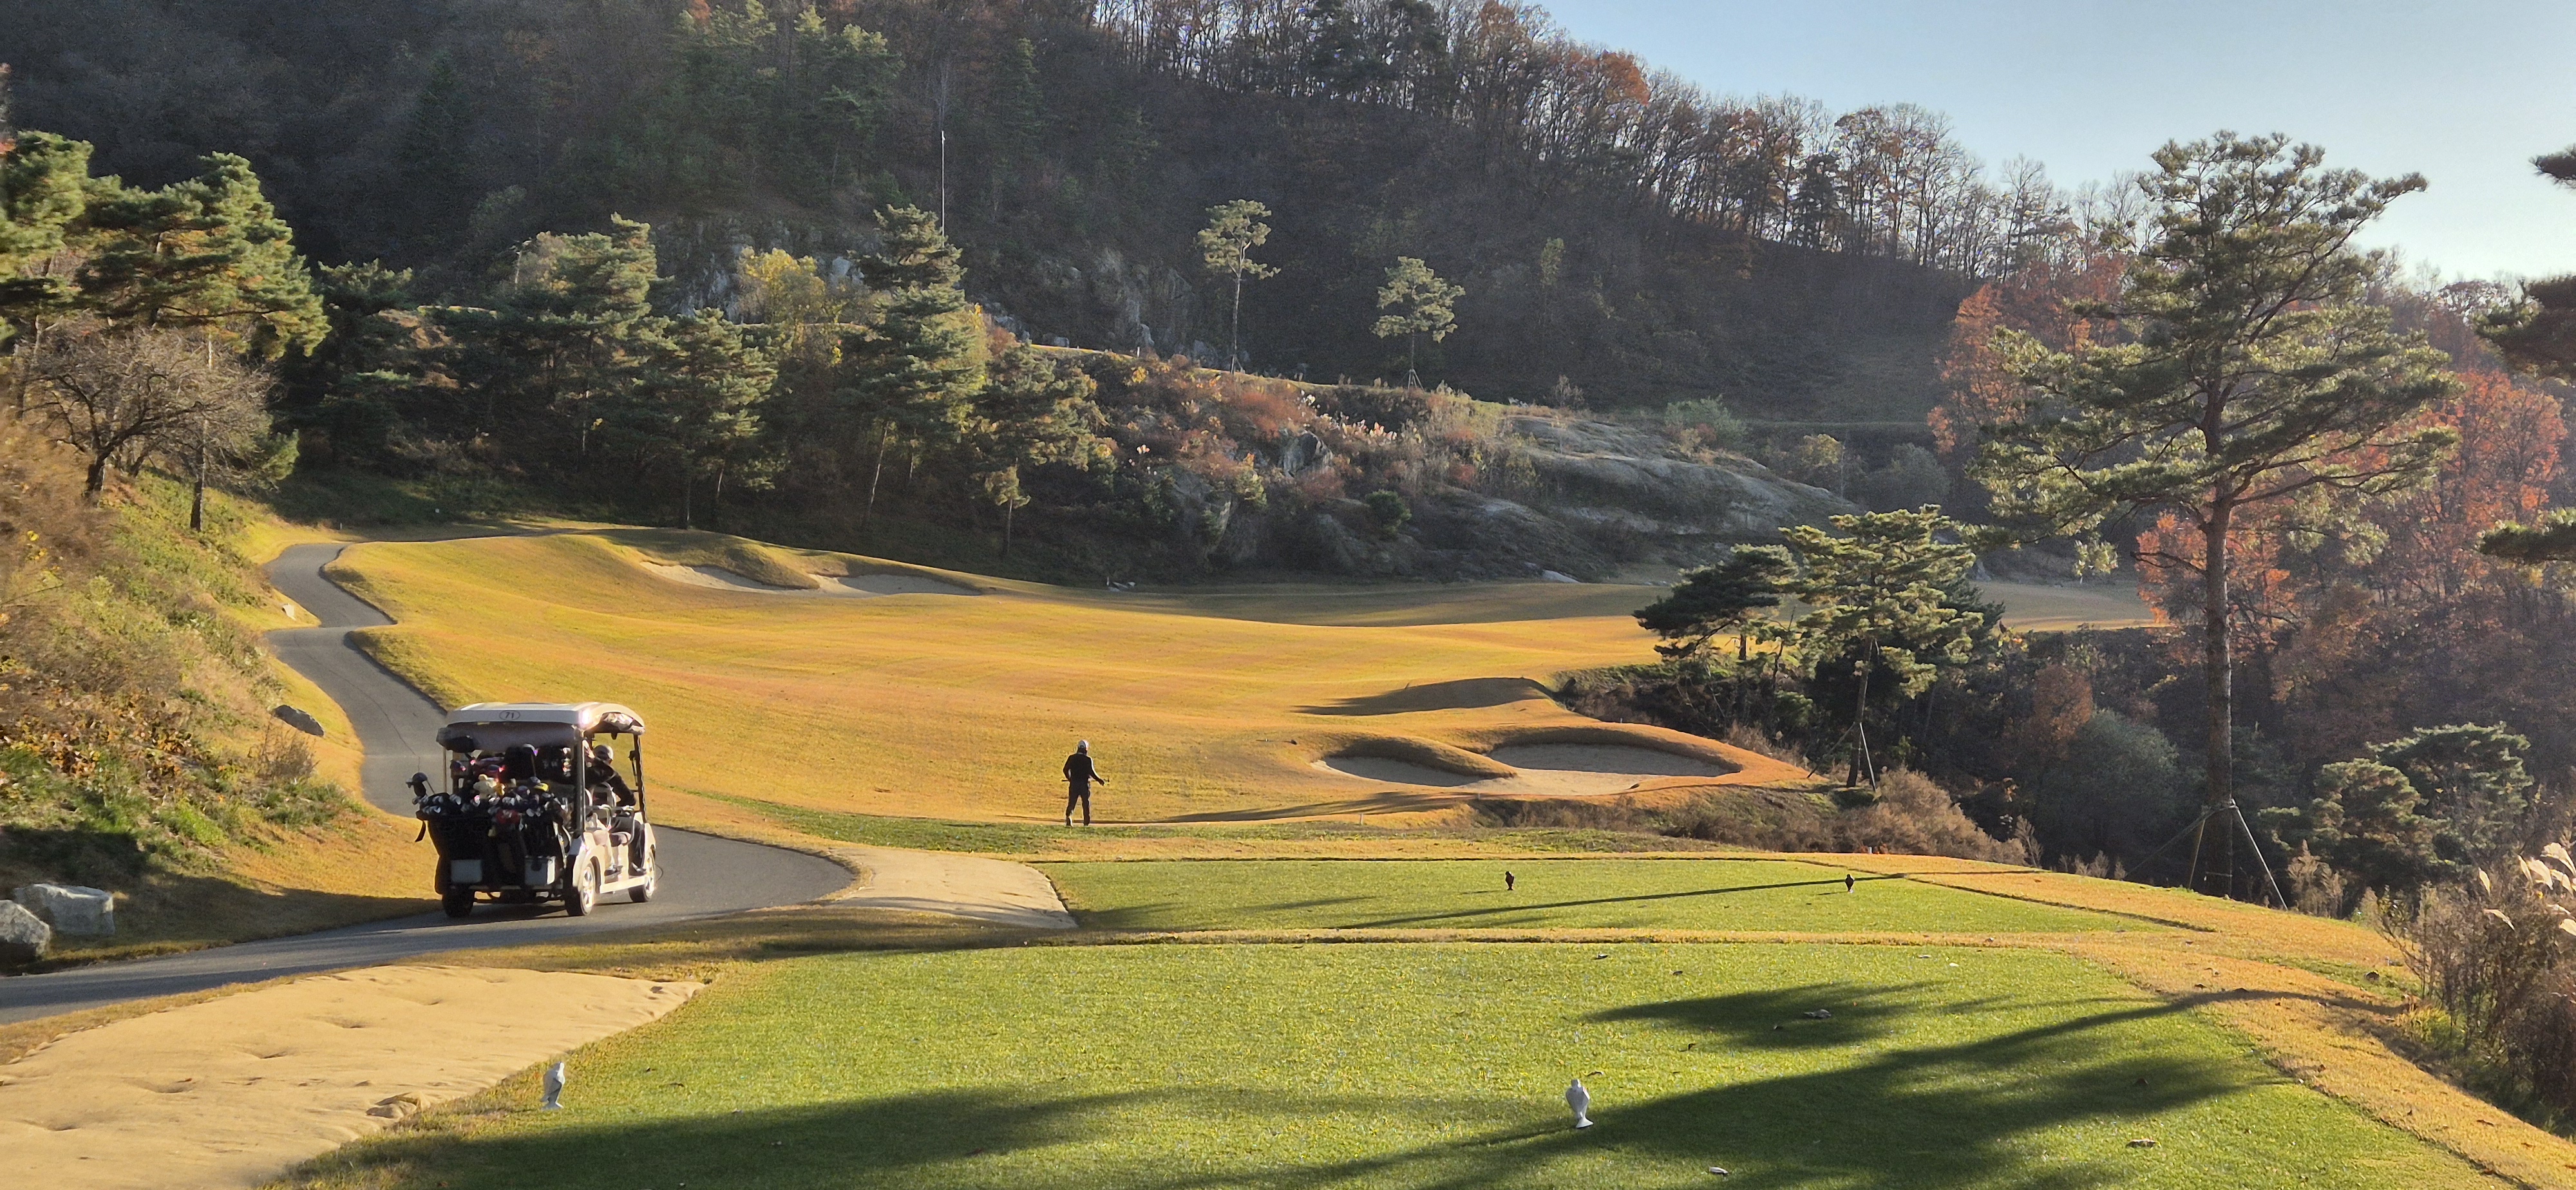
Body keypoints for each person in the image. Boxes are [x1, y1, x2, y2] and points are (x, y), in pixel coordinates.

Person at [1063, 741, 1108, 827]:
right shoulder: (1088, 760)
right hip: (1084, 785)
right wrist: (1099, 780)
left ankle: (1068, 816)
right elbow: (1092, 773)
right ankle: (1086, 822)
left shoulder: (1072, 758)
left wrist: (1070, 779)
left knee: (1072, 802)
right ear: (1086, 749)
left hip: (1074, 784)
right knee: (1085, 803)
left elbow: (1065, 769)